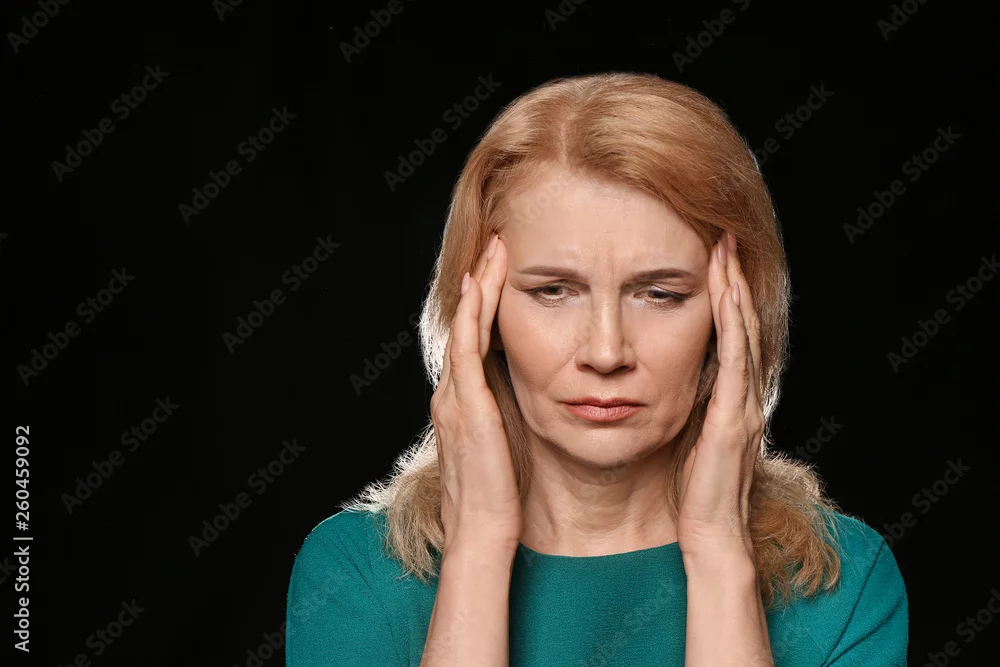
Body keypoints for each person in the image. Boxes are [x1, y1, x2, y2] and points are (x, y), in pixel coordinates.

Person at [285, 72, 908, 666]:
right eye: (553, 290)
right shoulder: (356, 570)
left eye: (659, 294)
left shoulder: (843, 582)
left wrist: (720, 553)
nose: (606, 353)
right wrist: (477, 551)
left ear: (733, 314)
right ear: (482, 311)